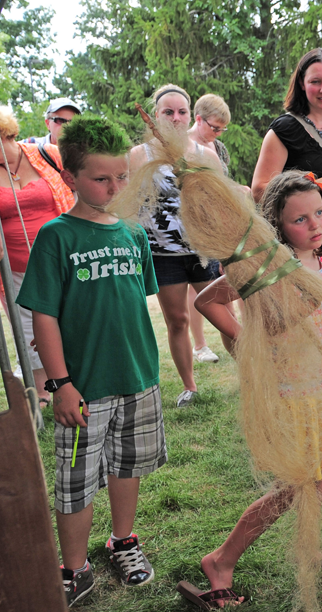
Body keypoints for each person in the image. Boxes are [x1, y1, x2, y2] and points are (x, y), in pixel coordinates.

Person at [188, 171, 322, 607]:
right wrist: (247, 345)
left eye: (319, 213)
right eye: (299, 220)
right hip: (291, 394)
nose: (315, 225)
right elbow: (207, 301)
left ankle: (309, 547)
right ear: (277, 225)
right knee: (292, 487)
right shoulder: (269, 267)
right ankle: (220, 559)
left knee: (314, 483)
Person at [16, 116, 163, 607]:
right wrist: (60, 383)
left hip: (137, 377)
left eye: (121, 177)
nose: (115, 187)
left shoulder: (133, 235)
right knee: (75, 480)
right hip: (83, 386)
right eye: (102, 179)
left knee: (127, 467)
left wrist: (144, 367)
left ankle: (123, 541)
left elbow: (134, 305)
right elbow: (44, 318)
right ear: (72, 178)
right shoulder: (56, 237)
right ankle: (74, 568)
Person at [130, 84, 222, 407]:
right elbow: (129, 204)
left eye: (181, 111)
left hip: (201, 250)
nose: (175, 117)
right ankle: (190, 386)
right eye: (167, 111)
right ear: (155, 115)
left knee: (221, 313)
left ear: (189, 116)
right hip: (162, 254)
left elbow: (220, 204)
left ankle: (250, 373)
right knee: (178, 319)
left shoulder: (205, 155)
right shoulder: (139, 155)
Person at [0, 105, 75, 406]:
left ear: (6, 135)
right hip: (16, 269)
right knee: (29, 328)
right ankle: (45, 391)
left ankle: (80, 378)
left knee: (72, 318)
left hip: (64, 259)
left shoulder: (46, 154)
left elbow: (76, 187)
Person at [251, 48, 322, 204]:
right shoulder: (284, 131)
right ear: (302, 83)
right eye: (315, 81)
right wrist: (316, 186)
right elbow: (258, 191)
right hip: (303, 227)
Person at [186, 93, 236, 365]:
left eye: (221, 129)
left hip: (218, 229)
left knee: (224, 291)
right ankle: (200, 346)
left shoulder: (218, 149)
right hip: (193, 232)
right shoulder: (183, 148)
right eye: (214, 128)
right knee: (198, 293)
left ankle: (237, 347)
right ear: (198, 119)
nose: (217, 134)